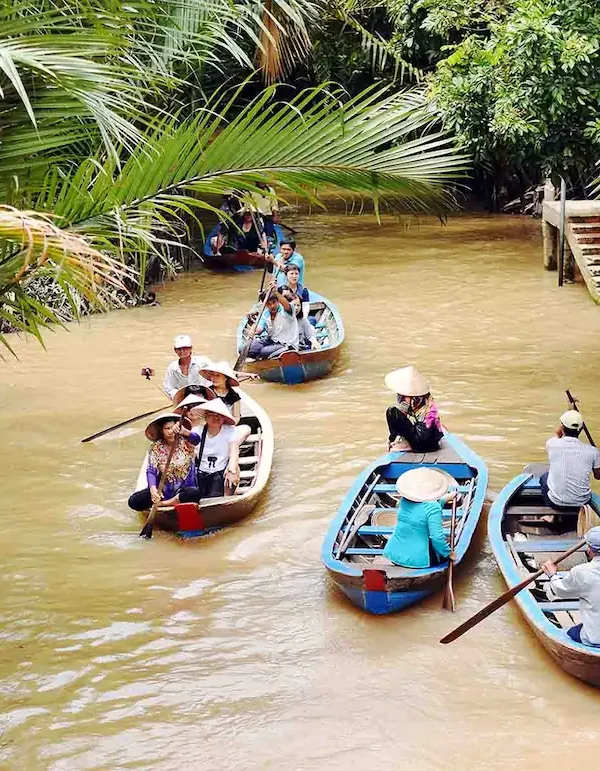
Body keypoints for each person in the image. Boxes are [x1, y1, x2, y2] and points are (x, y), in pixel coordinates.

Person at [383, 468, 457, 568]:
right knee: (443, 547)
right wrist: (449, 553)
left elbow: (422, 509)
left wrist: (444, 500)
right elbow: (437, 537)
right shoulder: (434, 508)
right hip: (419, 560)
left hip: (395, 555)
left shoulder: (404, 500)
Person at [128, 413, 200, 511]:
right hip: (164, 491)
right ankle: (160, 501)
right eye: (167, 428)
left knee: (193, 493)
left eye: (172, 428)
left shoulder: (185, 441)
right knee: (134, 501)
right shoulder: (156, 447)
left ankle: (164, 504)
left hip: (183, 490)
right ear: (162, 431)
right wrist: (153, 489)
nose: (171, 432)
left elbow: (197, 439)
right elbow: (151, 471)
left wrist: (185, 431)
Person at [542, 526, 600, 647]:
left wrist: (552, 574)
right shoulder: (582, 571)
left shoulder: (581, 571)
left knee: (569, 633)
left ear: (589, 550)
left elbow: (560, 590)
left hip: (595, 639)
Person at [177, 399, 240, 498]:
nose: (216, 417)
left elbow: (234, 453)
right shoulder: (197, 431)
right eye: (212, 414)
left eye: (219, 415)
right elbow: (188, 449)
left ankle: (226, 497)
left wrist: (232, 470)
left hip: (220, 473)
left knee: (233, 471)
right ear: (206, 416)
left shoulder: (230, 431)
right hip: (201, 473)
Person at [540, 410, 600, 511]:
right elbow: (598, 476)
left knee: (544, 477)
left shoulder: (552, 444)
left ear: (562, 428)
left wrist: (568, 416)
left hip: (556, 503)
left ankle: (552, 515)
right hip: (582, 503)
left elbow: (557, 434)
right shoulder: (592, 451)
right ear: (580, 430)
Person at [384, 366, 443, 453]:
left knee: (392, 411)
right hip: (433, 443)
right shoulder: (427, 398)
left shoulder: (409, 398)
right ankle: (401, 441)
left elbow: (402, 411)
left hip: (421, 442)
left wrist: (391, 439)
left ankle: (400, 442)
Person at [199, 360, 252, 445]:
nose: (214, 378)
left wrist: (227, 425)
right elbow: (201, 415)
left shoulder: (234, 396)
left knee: (246, 429)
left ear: (225, 378)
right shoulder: (206, 392)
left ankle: (229, 447)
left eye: (218, 375)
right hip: (210, 427)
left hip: (227, 427)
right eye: (213, 375)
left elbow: (236, 417)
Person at [248, 281, 299, 359]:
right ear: (265, 305)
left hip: (287, 344)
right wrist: (253, 330)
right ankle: (262, 356)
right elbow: (260, 327)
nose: (272, 306)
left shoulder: (286, 311)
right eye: (268, 304)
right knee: (244, 348)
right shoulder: (265, 313)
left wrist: (275, 292)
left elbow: (286, 304)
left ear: (278, 301)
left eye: (274, 302)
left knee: (264, 351)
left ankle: (262, 356)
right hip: (271, 341)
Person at [163, 335, 212, 401]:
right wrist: (180, 398)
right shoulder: (172, 368)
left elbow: (214, 378)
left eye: (185, 348)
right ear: (175, 350)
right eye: (179, 349)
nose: (182, 351)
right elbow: (169, 387)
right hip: (182, 401)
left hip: (204, 398)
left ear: (191, 348)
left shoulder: (204, 362)